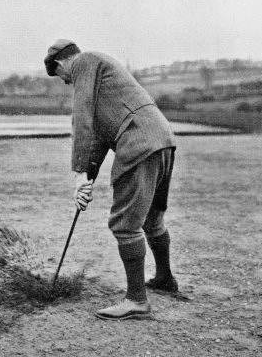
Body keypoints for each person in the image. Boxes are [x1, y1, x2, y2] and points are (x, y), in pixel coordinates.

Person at [44, 39, 178, 320]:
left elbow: (81, 119)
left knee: (125, 224)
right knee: (152, 218)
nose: (67, 84)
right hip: (161, 138)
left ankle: (136, 301)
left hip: (139, 142)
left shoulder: (83, 63)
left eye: (62, 79)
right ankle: (165, 278)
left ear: (60, 64)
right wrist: (85, 177)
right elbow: (101, 135)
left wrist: (79, 175)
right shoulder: (100, 66)